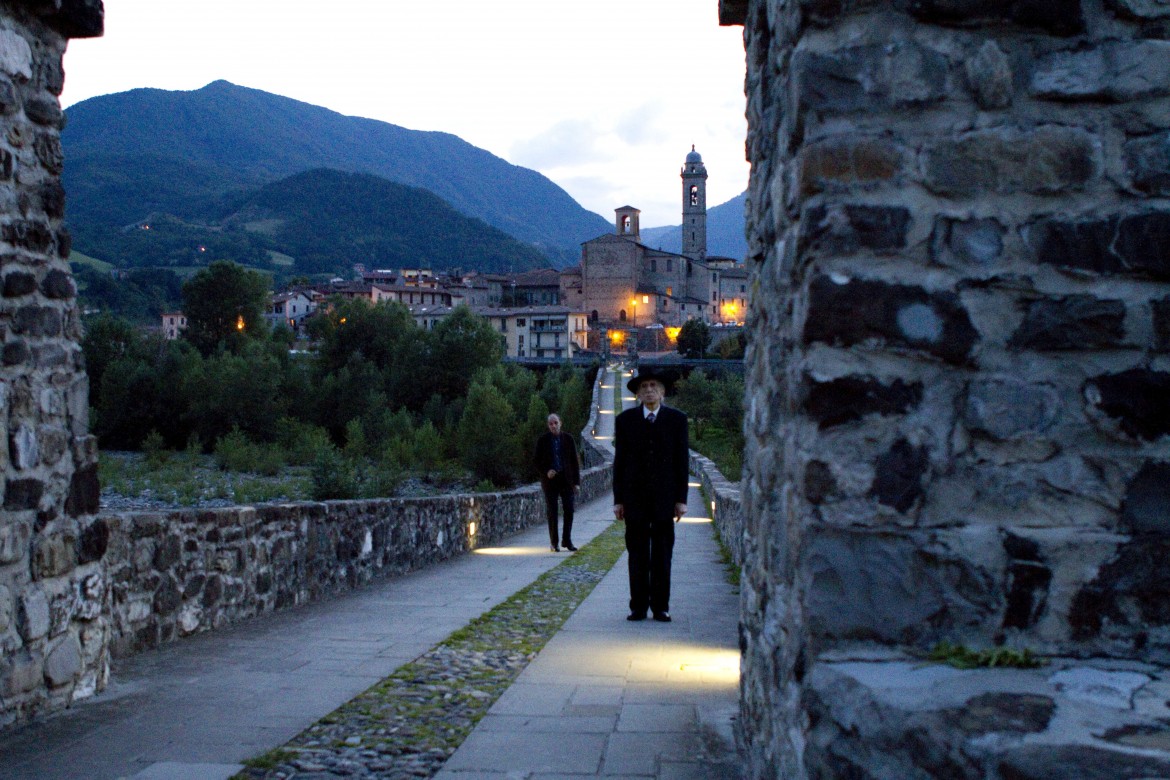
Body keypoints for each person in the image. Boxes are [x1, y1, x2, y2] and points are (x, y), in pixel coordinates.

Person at [613, 367, 688, 622]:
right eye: (644, 386)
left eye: (653, 385)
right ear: (637, 393)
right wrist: (618, 500)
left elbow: (682, 462)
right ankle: (638, 607)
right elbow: (620, 463)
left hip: (665, 500)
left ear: (663, 391)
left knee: (662, 555)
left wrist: (681, 500)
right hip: (634, 500)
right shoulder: (625, 421)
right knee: (637, 554)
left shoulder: (677, 421)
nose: (649, 390)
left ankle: (660, 607)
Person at [534, 413, 581, 552]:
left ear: (560, 423)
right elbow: (536, 461)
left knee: (569, 510)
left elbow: (574, 462)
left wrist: (576, 483)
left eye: (555, 423)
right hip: (550, 482)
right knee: (552, 512)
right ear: (548, 426)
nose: (553, 426)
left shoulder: (568, 439)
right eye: (551, 424)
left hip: (566, 480)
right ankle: (554, 543)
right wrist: (546, 471)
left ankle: (567, 540)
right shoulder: (542, 441)